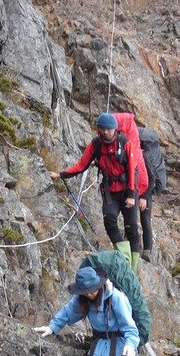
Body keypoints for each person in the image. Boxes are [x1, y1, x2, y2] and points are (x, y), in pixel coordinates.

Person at [50, 112, 146, 274]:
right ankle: (125, 258)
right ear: (99, 130)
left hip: (127, 190)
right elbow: (82, 164)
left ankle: (133, 270)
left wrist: (131, 195)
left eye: (110, 129)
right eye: (103, 129)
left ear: (115, 129)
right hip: (110, 191)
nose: (107, 132)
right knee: (109, 220)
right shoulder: (96, 145)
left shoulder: (125, 143)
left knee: (131, 228)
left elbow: (132, 169)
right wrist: (61, 175)